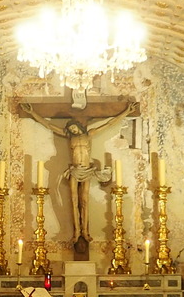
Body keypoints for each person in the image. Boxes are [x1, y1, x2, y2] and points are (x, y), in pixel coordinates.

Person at [20, 101, 133, 246]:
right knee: (73, 201)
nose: (73, 130)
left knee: (84, 201)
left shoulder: (89, 134)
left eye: (74, 127)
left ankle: (85, 231)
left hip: (86, 170)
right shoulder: (68, 136)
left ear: (79, 126)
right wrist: (32, 113)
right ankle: (77, 232)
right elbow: (48, 125)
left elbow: (109, 124)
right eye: (71, 129)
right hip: (74, 170)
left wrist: (126, 112)